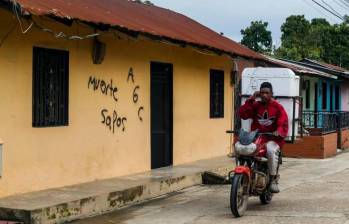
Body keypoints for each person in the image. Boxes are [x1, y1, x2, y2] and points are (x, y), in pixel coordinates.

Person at [239, 82, 288, 193]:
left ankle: (273, 178)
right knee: (242, 149)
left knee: (271, 150)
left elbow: (283, 122)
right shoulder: (256, 105)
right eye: (262, 93)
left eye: (267, 93)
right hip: (257, 138)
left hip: (273, 139)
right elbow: (243, 114)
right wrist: (252, 99)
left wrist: (278, 131)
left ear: (271, 94)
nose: (264, 95)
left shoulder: (277, 107)